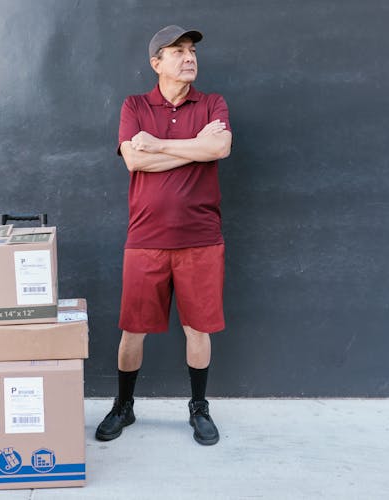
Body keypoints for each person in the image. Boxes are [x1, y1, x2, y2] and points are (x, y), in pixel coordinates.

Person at [95, 25, 232, 446]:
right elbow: (134, 161)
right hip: (146, 238)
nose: (189, 57)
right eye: (177, 51)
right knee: (131, 330)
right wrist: (188, 146)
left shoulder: (212, 103)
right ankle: (124, 405)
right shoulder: (134, 105)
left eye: (191, 51)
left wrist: (159, 143)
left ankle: (198, 407)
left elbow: (219, 149)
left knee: (198, 329)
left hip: (201, 238)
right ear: (156, 63)